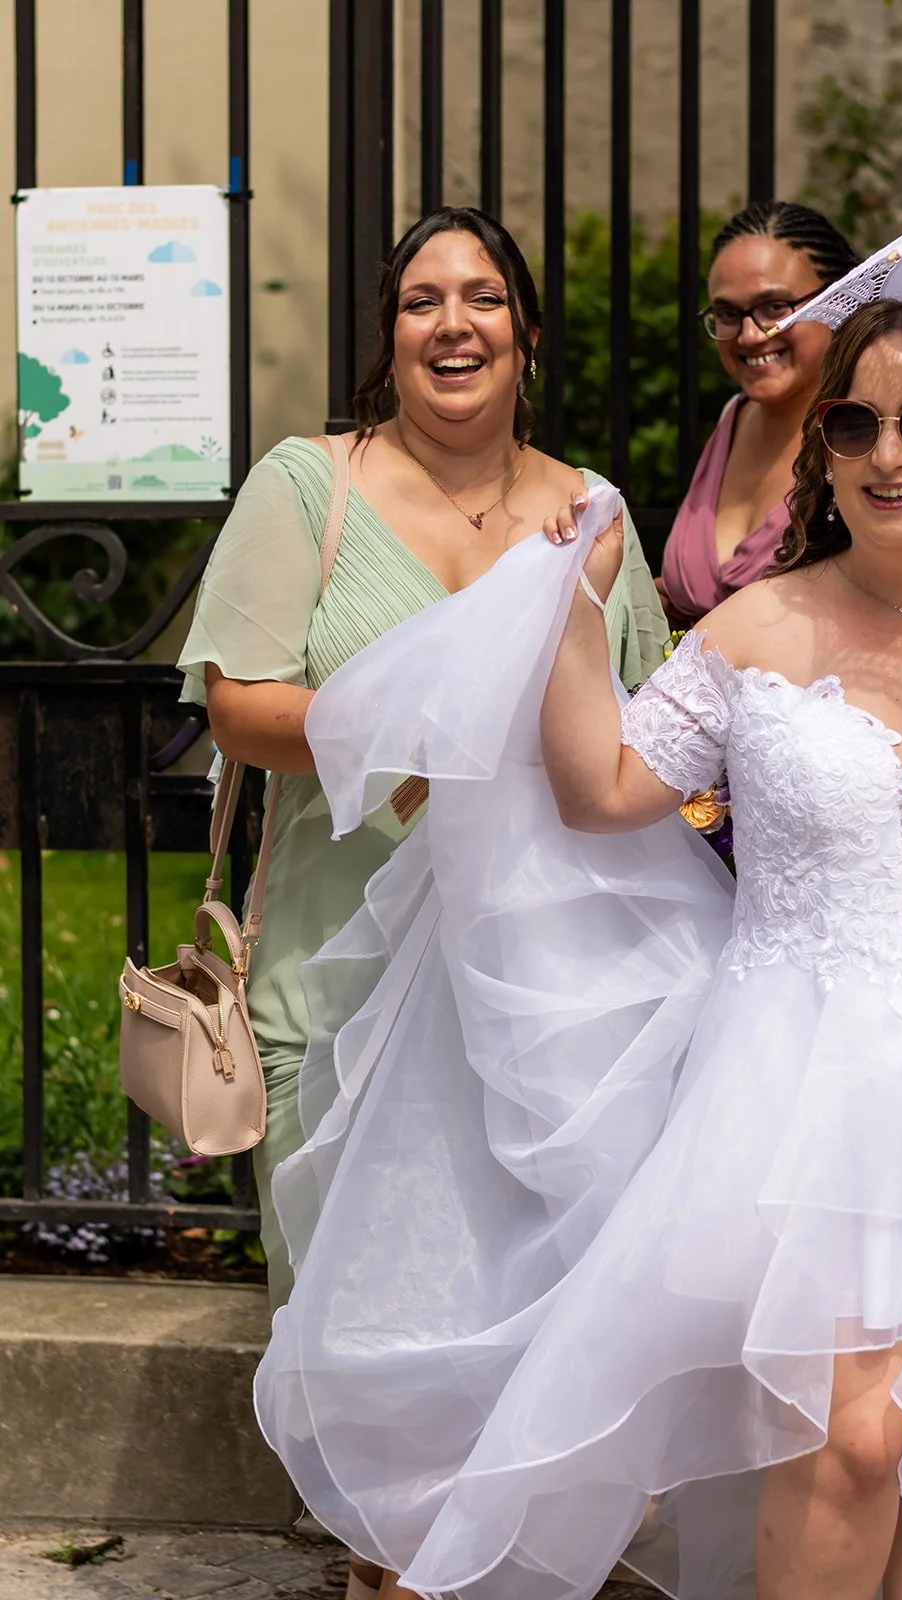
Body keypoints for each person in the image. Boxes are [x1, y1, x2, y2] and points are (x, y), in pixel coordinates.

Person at [254, 295, 902, 1600]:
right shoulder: (757, 629)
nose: (886, 453)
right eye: (851, 420)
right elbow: (609, 791)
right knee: (852, 1437)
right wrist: (571, 612)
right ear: (820, 444)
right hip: (817, 1097)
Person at [176, 204, 668, 1600]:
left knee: (522, 1324)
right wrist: (413, 748)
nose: (452, 323)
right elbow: (236, 699)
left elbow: (640, 731)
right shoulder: (307, 486)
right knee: (361, 1334)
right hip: (334, 989)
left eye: (481, 298)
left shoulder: (589, 513)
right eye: (418, 301)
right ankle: (381, 1566)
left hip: (534, 1004)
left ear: (525, 332)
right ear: (387, 339)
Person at [658, 201, 858, 627]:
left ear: (836, 299)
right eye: (728, 314)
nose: (749, 335)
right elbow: (698, 602)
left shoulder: (865, 435)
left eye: (775, 307)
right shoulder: (735, 416)